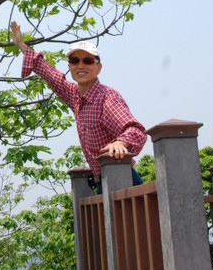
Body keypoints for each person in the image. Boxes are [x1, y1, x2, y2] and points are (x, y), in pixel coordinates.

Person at [10, 21, 147, 190]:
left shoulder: (106, 98)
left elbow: (136, 131)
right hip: (102, 182)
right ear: (70, 66)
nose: (80, 66)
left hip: (122, 179)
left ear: (98, 68)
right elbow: (50, 74)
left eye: (87, 61)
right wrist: (21, 45)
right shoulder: (76, 95)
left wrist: (121, 143)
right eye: (75, 61)